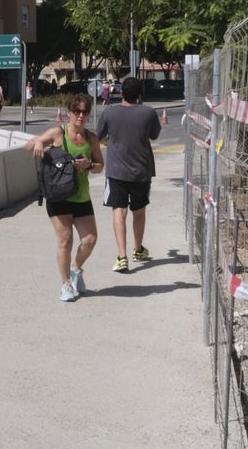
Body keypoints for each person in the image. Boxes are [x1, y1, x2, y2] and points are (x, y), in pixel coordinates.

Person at [25, 93, 103, 302]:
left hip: (81, 195)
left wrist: (89, 165)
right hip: (58, 195)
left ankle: (76, 269)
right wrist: (39, 142)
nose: (80, 115)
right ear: (69, 113)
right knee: (65, 240)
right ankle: (65, 284)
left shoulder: (91, 138)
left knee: (90, 239)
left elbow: (100, 166)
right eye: (76, 111)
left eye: (84, 112)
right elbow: (28, 145)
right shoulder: (59, 133)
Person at [97, 76, 162, 273]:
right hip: (141, 171)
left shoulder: (109, 112)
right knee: (139, 210)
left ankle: (122, 256)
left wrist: (111, 140)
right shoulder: (149, 112)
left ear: (121, 93)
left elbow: (98, 136)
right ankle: (138, 249)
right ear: (139, 94)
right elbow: (154, 135)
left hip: (116, 171)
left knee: (119, 211)